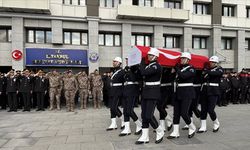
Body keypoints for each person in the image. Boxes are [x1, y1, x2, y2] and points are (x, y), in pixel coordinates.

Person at [135, 48, 164, 144]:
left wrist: (141, 64)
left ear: (156, 56)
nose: (148, 57)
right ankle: (145, 136)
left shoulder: (157, 66)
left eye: (150, 55)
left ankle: (159, 131)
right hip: (146, 92)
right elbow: (140, 75)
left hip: (153, 92)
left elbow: (144, 73)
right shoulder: (148, 66)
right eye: (148, 55)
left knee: (149, 115)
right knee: (144, 115)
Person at [167, 52, 196, 139]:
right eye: (181, 58)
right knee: (176, 114)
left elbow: (183, 76)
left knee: (184, 113)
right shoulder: (179, 68)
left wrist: (176, 69)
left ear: (188, 60)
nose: (182, 60)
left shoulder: (191, 68)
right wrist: (172, 72)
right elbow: (171, 79)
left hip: (187, 93)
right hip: (178, 92)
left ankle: (192, 127)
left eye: (184, 58)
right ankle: (175, 132)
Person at [198, 56, 223, 133]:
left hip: (213, 91)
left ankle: (216, 123)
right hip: (205, 90)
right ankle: (203, 126)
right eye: (210, 62)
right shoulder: (207, 69)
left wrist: (206, 71)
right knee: (203, 109)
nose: (211, 63)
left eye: (212, 62)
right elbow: (202, 79)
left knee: (210, 110)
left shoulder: (219, 69)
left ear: (216, 63)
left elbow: (217, 73)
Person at [119, 58, 142, 136]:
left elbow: (134, 79)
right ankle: (127, 128)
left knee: (129, 110)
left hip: (132, 91)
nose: (126, 61)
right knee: (125, 111)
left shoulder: (136, 68)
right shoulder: (127, 69)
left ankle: (139, 125)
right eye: (126, 60)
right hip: (125, 91)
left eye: (128, 60)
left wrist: (130, 71)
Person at [106, 57, 125, 131]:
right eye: (113, 61)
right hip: (112, 91)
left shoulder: (122, 71)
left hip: (118, 91)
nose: (114, 62)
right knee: (111, 107)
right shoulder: (113, 71)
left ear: (119, 63)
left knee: (114, 107)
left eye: (115, 61)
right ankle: (113, 124)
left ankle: (123, 119)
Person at [157, 67, 173, 132]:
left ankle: (169, 119)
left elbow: (170, 78)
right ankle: (162, 126)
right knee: (161, 107)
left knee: (160, 107)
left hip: (167, 89)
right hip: (160, 88)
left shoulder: (169, 68)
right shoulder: (161, 68)